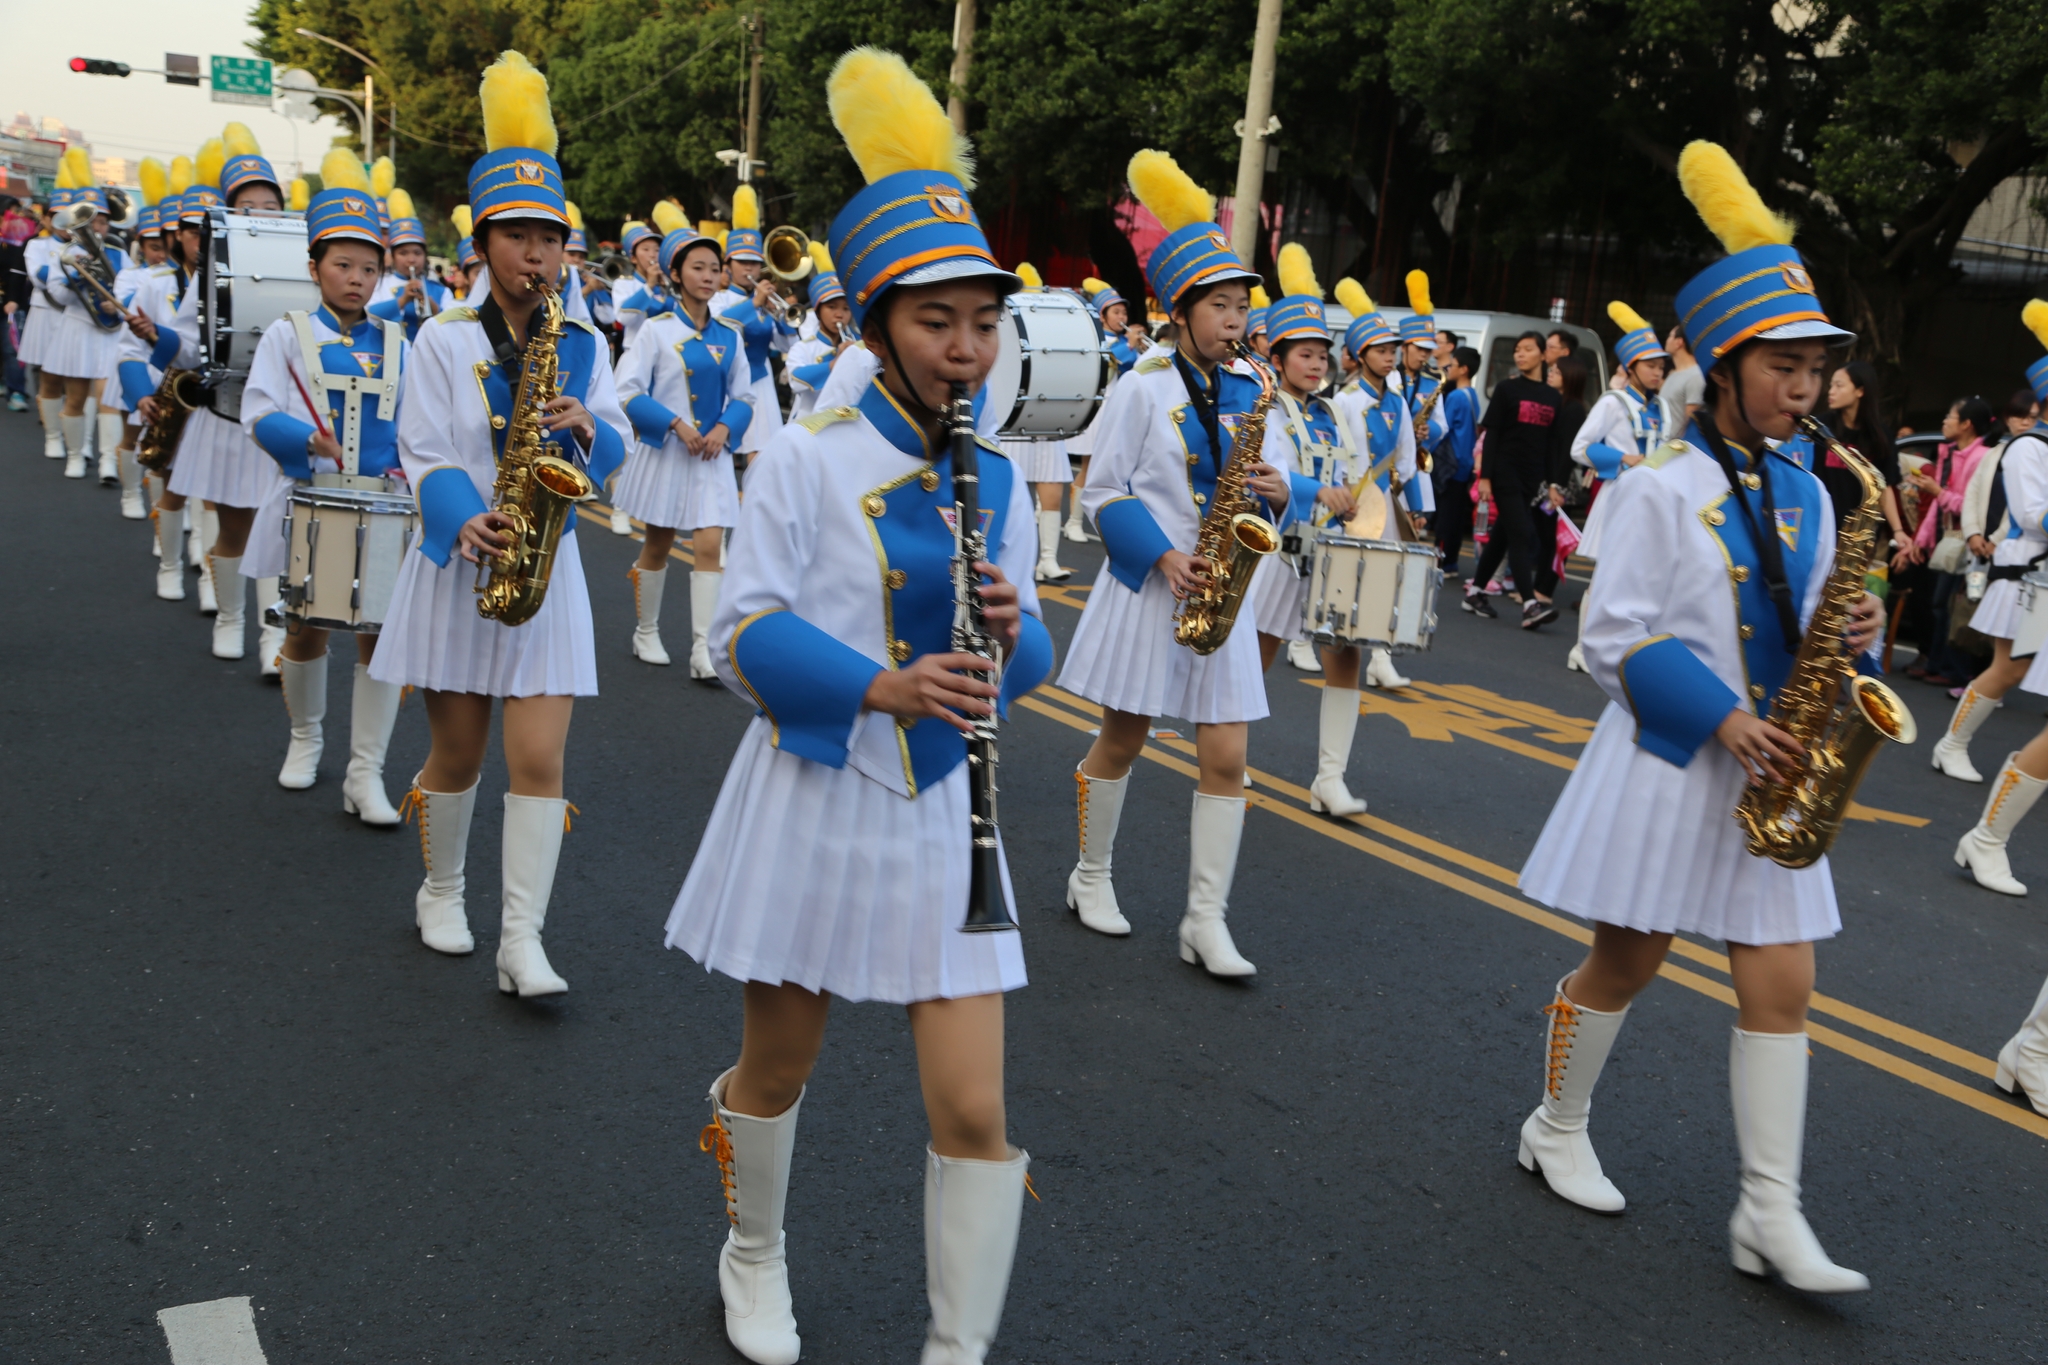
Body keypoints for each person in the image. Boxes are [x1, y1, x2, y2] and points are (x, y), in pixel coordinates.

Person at [665, 48, 1054, 1365]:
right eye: (938, 320)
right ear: (878, 323)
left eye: (983, 322)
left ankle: (957, 1347)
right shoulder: (804, 459)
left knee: (975, 1109)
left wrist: (1013, 633)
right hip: (822, 788)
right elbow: (741, 634)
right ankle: (753, 1254)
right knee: (776, 1069)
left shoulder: (1001, 477)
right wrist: (881, 684)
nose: (966, 348)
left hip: (946, 809)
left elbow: (1028, 663)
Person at [1515, 141, 1881, 1295]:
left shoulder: (1810, 490)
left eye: (1814, 368)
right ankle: (1554, 1126)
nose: (1802, 388)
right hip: (1679, 759)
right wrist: (1722, 720)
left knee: (1782, 985)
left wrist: (1854, 628)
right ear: (1721, 367)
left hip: (1772, 770)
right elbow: (1612, 637)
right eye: (1780, 366)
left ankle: (1768, 1212)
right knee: (1625, 962)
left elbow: (1804, 619)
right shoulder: (1655, 487)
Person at [370, 52, 629, 990]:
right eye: (517, 236)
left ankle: (523, 939)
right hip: (462, 561)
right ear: (482, 244)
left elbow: (616, 447)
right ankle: (441, 890)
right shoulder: (442, 338)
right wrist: (462, 520)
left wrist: (592, 428)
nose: (536, 254)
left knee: (541, 755)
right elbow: (424, 449)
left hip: (546, 568)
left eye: (549, 238)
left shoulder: (584, 341)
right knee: (457, 749)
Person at [1057, 147, 1305, 973]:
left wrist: (1278, 490)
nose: (1237, 322)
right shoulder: (1142, 384)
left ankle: (1205, 919)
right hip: (1153, 584)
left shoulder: (1254, 389)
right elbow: (1102, 492)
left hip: (1223, 589)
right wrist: (1163, 557)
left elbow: (1272, 484)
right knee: (1123, 739)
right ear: (1180, 309)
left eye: (1243, 307)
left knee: (1228, 756)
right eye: (1221, 306)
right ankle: (1091, 875)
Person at [238, 170, 409, 823]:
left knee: (378, 639)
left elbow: (417, 425)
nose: (357, 278)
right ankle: (305, 738)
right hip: (309, 499)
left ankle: (366, 773)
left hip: (384, 507)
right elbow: (258, 411)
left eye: (369, 268)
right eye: (343, 265)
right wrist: (307, 438)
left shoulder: (397, 341)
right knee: (305, 628)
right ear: (314, 268)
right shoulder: (287, 334)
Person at [136, 130, 293, 663]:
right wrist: (155, 336)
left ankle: (274, 637)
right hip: (228, 414)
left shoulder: (307, 262)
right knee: (235, 529)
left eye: (270, 206)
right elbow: (187, 346)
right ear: (229, 213)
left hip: (285, 418)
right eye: (247, 207)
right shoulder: (212, 268)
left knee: (279, 534)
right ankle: (230, 618)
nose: (260, 215)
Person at [1245, 243, 1385, 814]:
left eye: (1322, 355)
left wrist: (1356, 504)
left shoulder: (1334, 412)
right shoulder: (1267, 409)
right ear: (1278, 357)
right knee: (1258, 651)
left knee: (1346, 654)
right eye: (1304, 354)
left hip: (1333, 551)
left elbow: (1353, 474)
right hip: (1280, 549)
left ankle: (1330, 778)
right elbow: (1266, 471)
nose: (1316, 364)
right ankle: (1229, 749)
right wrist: (1316, 492)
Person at [611, 216, 754, 676]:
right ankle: (646, 631)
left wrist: (724, 429)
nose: (708, 276)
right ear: (675, 273)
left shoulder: (730, 335)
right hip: (670, 454)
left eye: (714, 268)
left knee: (710, 545)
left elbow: (745, 396)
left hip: (711, 455)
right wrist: (674, 424)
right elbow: (627, 391)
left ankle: (702, 651)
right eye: (697, 267)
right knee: (658, 543)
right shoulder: (657, 330)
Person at [1563, 303, 1667, 672]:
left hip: (1654, 502)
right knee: (1606, 577)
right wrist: (1623, 459)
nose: (1658, 372)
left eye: (1661, 366)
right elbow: (1580, 447)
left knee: (1642, 582)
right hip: (1620, 496)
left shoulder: (1662, 407)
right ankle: (1582, 648)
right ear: (1630, 367)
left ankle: (1620, 651)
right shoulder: (1613, 402)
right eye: (1650, 365)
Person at [40, 149, 128, 482]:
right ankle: (76, 455)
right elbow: (58, 296)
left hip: (110, 334)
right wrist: (77, 277)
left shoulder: (119, 253)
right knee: (76, 396)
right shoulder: (66, 255)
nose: (97, 227)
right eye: (91, 222)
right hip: (78, 328)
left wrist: (117, 303)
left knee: (108, 397)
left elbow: (130, 291)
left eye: (102, 221)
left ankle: (108, 461)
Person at [1467, 330, 1565, 628]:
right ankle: (1530, 605)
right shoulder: (1506, 389)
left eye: (1527, 349)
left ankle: (1475, 592)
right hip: (1504, 472)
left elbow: (1552, 444)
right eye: (1517, 350)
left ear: (1542, 355)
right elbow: (1492, 434)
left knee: (1503, 535)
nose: (1520, 355)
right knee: (1521, 533)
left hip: (1531, 479)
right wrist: (1485, 477)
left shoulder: (1553, 397)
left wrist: (1552, 483)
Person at [1910, 398, 2001, 704]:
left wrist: (1938, 492)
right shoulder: (1948, 452)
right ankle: (1938, 665)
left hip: (1969, 541)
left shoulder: (1982, 457)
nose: (1945, 421)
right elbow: (1939, 505)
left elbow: (1971, 505)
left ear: (1966, 424)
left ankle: (1956, 671)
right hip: (1949, 538)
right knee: (1940, 604)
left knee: (1957, 606)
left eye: (1950, 416)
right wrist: (1922, 540)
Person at [994, 262, 1077, 583]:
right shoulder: (1004, 325)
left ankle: (1048, 560)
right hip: (1013, 415)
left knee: (1052, 491)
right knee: (1010, 494)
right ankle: (1012, 563)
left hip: (1046, 414)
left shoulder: (1055, 332)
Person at [713, 185, 795, 465]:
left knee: (761, 455)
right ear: (728, 264)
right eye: (742, 262)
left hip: (759, 382)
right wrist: (755, 303)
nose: (749, 268)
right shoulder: (718, 298)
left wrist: (781, 317)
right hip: (724, 381)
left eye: (754, 262)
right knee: (718, 451)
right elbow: (721, 326)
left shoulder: (765, 303)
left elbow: (786, 345)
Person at [1063, 277, 1145, 543]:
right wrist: (1129, 344)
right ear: (1102, 316)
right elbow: (1106, 368)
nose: (1122, 317)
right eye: (1116, 312)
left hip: (1118, 409)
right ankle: (1073, 522)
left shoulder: (1124, 341)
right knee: (1089, 466)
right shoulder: (1095, 339)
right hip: (1098, 408)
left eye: (1124, 312)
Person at [781, 240, 853, 423]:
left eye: (846, 309)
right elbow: (795, 380)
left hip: (846, 423)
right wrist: (833, 364)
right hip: (809, 423)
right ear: (818, 311)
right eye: (832, 307)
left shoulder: (859, 344)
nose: (839, 314)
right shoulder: (803, 348)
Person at [366, 188, 449, 341]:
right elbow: (368, 316)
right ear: (393, 256)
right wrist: (403, 300)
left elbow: (454, 327)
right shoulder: (379, 284)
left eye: (417, 253)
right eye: (403, 253)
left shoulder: (441, 290)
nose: (411, 259)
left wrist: (433, 307)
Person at [1434, 345, 1482, 579]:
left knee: (1445, 516)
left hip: (1451, 462)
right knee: (1455, 515)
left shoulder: (1454, 396)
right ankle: (1451, 560)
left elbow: (1443, 428)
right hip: (1465, 462)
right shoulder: (1473, 396)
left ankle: (1443, 561)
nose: (1448, 369)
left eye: (1452, 365)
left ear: (1463, 369)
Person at [1660, 325, 1705, 434]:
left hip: (1678, 443)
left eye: (1670, 336)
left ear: (1679, 342)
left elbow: (1691, 421)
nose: (1667, 340)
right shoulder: (1672, 374)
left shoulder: (1696, 376)